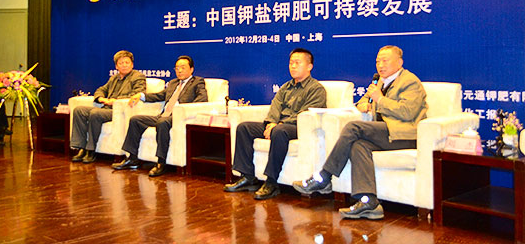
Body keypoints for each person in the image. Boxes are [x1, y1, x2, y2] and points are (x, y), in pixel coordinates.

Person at [293, 45, 428, 220]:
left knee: (354, 128)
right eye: (378, 61)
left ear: (399, 62)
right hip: (386, 134)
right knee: (359, 146)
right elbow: (363, 101)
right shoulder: (379, 82)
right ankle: (368, 201)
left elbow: (407, 112)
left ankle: (324, 176)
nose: (380, 65)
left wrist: (380, 99)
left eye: (385, 61)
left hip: (405, 135)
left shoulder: (410, 82)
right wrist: (363, 104)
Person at [224, 48, 327, 200]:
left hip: (298, 127)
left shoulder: (316, 89)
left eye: (297, 63)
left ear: (309, 66)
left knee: (279, 131)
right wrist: (271, 122)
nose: (293, 66)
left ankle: (271, 182)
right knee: (244, 128)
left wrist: (278, 124)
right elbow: (275, 107)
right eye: (291, 63)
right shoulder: (285, 87)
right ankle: (248, 177)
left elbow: (306, 114)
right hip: (278, 125)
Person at [112, 55, 208, 176]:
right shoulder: (173, 83)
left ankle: (161, 163)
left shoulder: (197, 82)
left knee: (162, 123)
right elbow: (159, 96)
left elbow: (202, 99)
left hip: (178, 117)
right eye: (177, 68)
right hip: (163, 115)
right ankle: (132, 158)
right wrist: (141, 95)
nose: (179, 70)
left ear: (191, 69)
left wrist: (183, 109)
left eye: (183, 67)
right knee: (136, 120)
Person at [71, 50, 146, 163]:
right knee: (79, 110)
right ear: (116, 66)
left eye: (127, 62)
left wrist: (115, 101)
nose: (124, 65)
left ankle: (91, 150)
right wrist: (101, 99)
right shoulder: (114, 78)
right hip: (106, 109)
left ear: (132, 64)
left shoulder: (138, 77)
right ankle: (80, 147)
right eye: (121, 63)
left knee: (95, 113)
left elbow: (137, 94)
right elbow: (101, 89)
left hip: (120, 111)